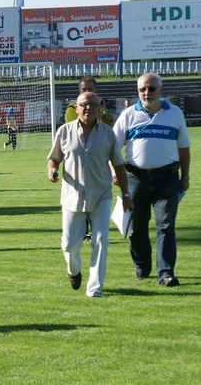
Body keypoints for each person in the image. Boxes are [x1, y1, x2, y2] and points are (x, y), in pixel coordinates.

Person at [48, 92, 132, 298]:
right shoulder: (64, 132)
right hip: (72, 196)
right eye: (84, 105)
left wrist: (126, 193)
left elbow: (119, 166)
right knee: (69, 245)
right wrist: (52, 170)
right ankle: (73, 270)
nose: (88, 108)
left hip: (101, 195)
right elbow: (53, 159)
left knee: (101, 241)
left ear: (99, 108)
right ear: (76, 108)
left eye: (93, 105)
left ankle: (94, 288)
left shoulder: (108, 134)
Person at [112, 73, 191, 287]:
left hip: (167, 178)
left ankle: (166, 273)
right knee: (136, 228)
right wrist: (114, 172)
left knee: (165, 225)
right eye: (142, 90)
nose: (147, 93)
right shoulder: (128, 115)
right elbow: (112, 148)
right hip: (135, 178)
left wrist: (185, 176)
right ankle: (142, 266)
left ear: (161, 90)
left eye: (151, 89)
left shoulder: (175, 114)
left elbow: (184, 148)